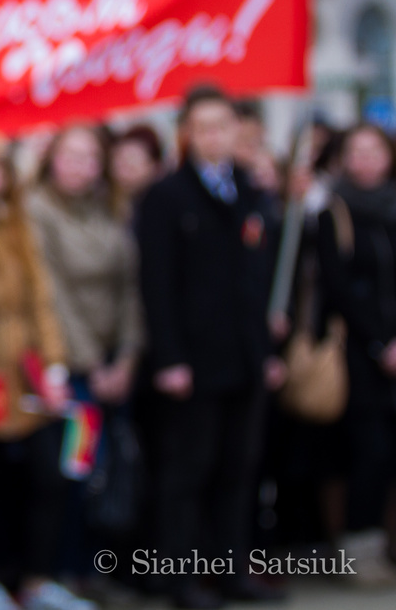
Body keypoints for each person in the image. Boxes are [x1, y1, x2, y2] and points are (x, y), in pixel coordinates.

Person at [136, 86, 284, 609]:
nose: (216, 136)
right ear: (187, 133)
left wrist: (266, 349)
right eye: (204, 126)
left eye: (224, 125)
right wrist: (170, 358)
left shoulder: (249, 190)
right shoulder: (166, 196)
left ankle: (230, 571)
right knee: (187, 472)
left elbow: (258, 276)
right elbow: (157, 284)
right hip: (192, 362)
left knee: (238, 469)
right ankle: (180, 576)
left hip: (244, 357)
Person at [0, 130, 88, 610]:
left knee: (48, 474)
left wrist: (54, 361)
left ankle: (38, 577)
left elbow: (40, 298)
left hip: (25, 371)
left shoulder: (17, 221)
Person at [26, 124, 146, 592]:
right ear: (51, 158)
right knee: (72, 475)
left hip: (116, 362)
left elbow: (130, 289)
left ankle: (98, 567)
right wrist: (94, 364)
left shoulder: (108, 209)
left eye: (90, 157)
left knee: (114, 471)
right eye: (70, 155)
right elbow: (54, 295)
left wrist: (128, 357)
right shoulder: (37, 211)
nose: (80, 167)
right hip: (71, 366)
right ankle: (64, 570)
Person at [316, 124, 396, 584]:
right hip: (360, 354)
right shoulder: (333, 212)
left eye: (375, 150)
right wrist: (380, 343)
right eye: (356, 151)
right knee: (370, 450)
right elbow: (338, 287)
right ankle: (360, 548)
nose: (366, 160)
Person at [108, 124, 165, 223]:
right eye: (120, 158)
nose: (124, 166)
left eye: (133, 160)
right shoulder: (104, 200)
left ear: (156, 167)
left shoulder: (163, 205)